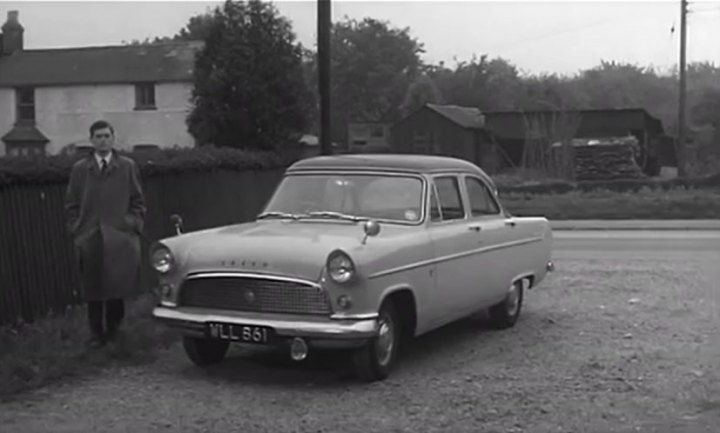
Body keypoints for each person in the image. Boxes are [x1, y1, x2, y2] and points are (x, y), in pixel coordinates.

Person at [64, 120, 147, 348]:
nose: (103, 140)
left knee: (116, 285)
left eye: (106, 136)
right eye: (98, 136)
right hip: (89, 235)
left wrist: (131, 224)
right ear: (91, 140)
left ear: (113, 138)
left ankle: (114, 332)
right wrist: (77, 228)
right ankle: (96, 334)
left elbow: (138, 201)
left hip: (119, 235)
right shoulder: (81, 169)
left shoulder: (127, 166)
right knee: (92, 287)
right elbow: (71, 203)